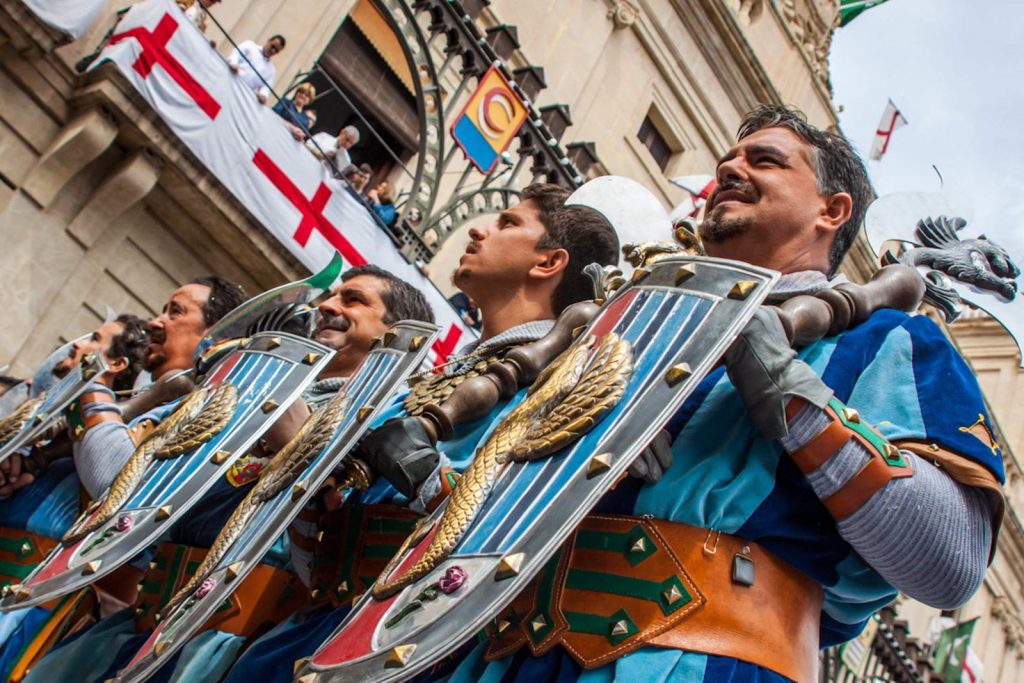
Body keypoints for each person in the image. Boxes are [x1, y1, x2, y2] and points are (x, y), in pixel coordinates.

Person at [438, 105, 1003, 683]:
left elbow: (951, 564)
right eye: (728, 159)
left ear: (832, 211)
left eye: (765, 161)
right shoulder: (636, 330)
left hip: (704, 665)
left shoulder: (891, 340)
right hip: (507, 656)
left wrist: (794, 400)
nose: (731, 169)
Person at [220, 184, 621, 683]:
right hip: (310, 630)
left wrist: (423, 473)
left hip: (404, 649)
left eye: (507, 223)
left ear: (548, 262)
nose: (478, 228)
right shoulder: (425, 380)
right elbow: (319, 551)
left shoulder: (565, 382)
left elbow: (518, 537)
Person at [9, 278, 247, 683]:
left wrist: (93, 388)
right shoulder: (126, 406)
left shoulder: (211, 413)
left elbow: (112, 485)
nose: (156, 322)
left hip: (56, 608)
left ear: (218, 334)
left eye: (175, 312)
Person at [0, 314, 149, 681]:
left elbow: (108, 478)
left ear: (115, 364)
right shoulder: (47, 415)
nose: (77, 345)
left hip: (29, 604)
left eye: (94, 339)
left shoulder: (111, 430)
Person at [227, 34, 285, 104]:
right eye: (273, 46)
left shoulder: (271, 70)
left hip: (241, 96)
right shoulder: (250, 46)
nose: (273, 51)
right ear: (268, 41)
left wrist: (263, 95)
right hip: (229, 81)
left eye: (276, 51)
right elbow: (236, 53)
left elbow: (266, 87)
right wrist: (233, 63)